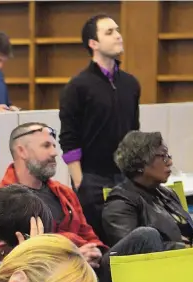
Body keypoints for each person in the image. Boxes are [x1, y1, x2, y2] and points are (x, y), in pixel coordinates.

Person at [0, 122, 166, 282]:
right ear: (22, 151)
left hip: (91, 271)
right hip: (52, 281)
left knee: (146, 236)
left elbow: (88, 234)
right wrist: (71, 255)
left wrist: (96, 250)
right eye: (46, 146)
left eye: (54, 146)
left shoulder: (64, 192)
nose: (54, 153)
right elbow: (6, 258)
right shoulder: (0, 198)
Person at [59, 13, 140, 242]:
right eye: (109, 32)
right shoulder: (78, 87)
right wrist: (80, 182)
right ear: (93, 43)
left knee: (128, 242)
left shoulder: (130, 84)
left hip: (126, 178)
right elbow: (69, 138)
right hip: (92, 179)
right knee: (99, 243)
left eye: (117, 30)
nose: (118, 36)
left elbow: (134, 132)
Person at [103, 131, 193, 247]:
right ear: (140, 163)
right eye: (163, 156)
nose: (170, 162)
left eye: (168, 156)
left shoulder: (168, 194)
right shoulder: (120, 203)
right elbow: (131, 251)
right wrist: (181, 246)